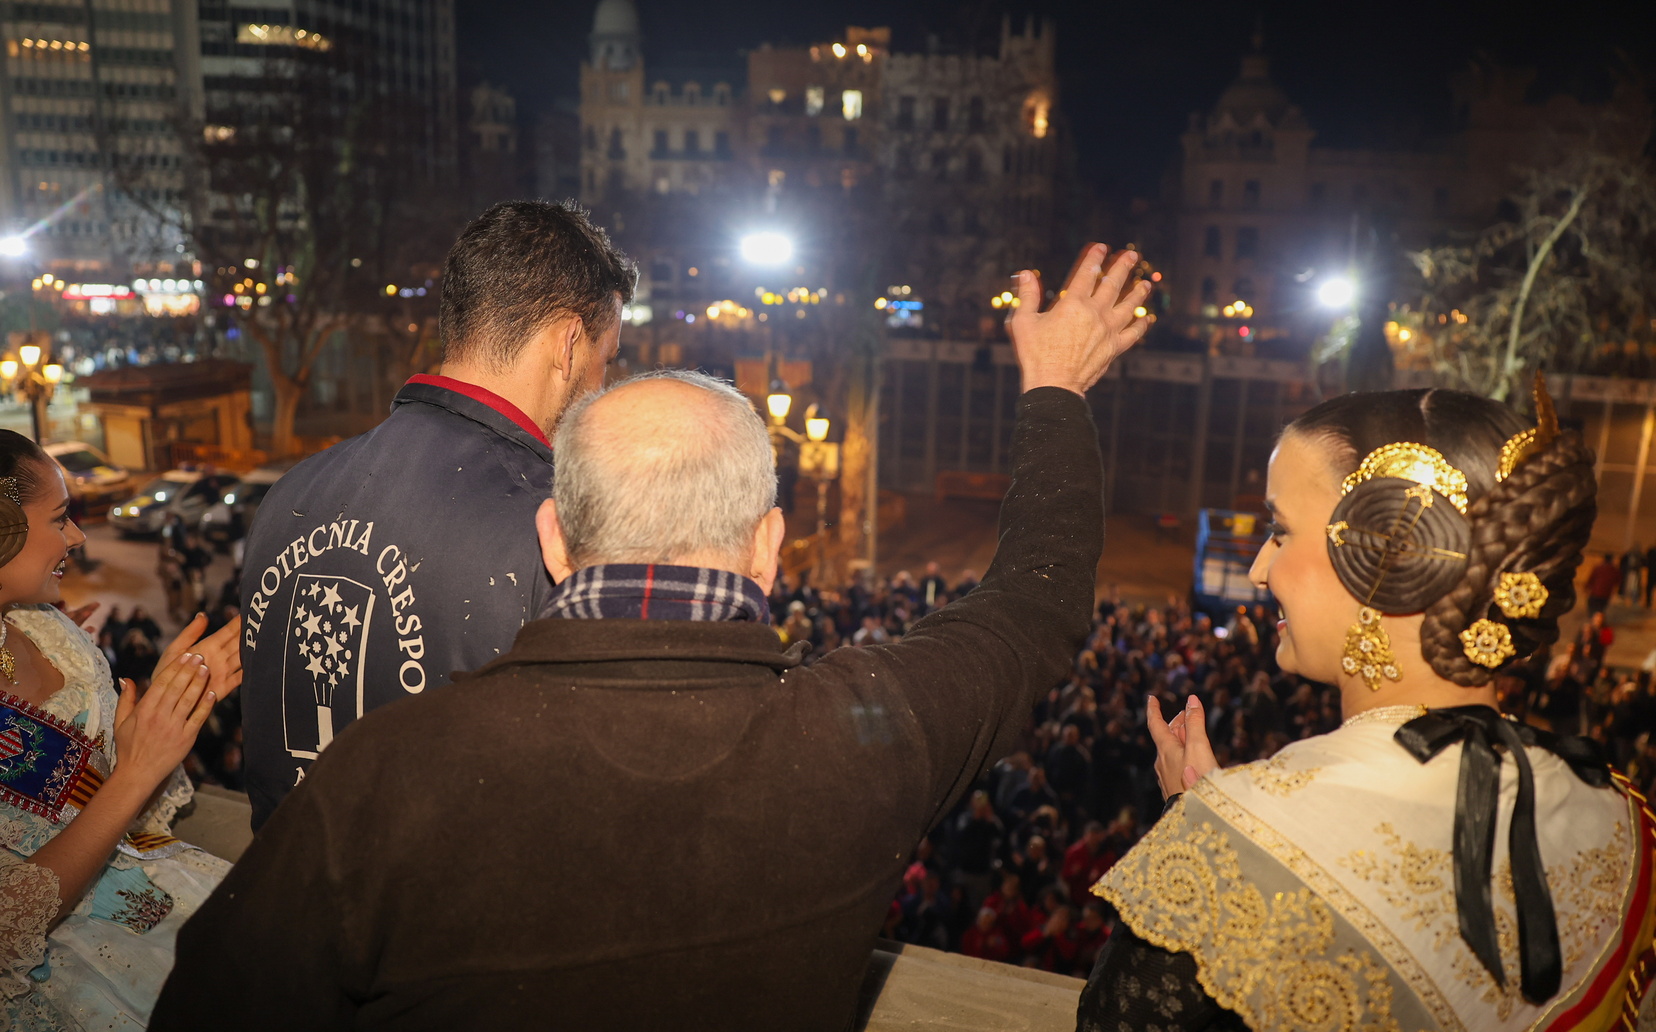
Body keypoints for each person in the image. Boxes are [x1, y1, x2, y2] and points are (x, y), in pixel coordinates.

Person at [152, 242, 1153, 1030]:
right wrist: (1056, 386)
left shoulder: (386, 769)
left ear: (554, 537)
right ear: (768, 551)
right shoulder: (864, 735)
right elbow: (1035, 606)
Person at [1078, 379, 1652, 1031]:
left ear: (1392, 556)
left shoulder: (1234, 837)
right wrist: (1232, 822)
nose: (1259, 570)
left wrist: (1215, 834)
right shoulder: (1624, 818)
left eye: (1281, 530)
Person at [238, 200, 634, 829]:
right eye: (605, 358)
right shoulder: (557, 523)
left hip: (286, 890)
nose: (601, 383)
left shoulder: (291, 491)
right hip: (447, 911)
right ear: (567, 343)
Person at [0, 432, 243, 1027]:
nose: (78, 538)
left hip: (143, 871)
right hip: (63, 961)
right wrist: (135, 774)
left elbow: (114, 798)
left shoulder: (48, 629)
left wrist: (168, 705)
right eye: (60, 519)